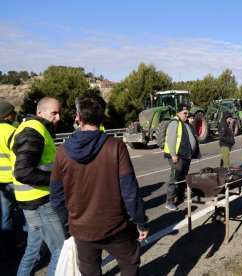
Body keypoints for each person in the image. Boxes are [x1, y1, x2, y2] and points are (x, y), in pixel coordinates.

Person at [50, 93, 148, 275]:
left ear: (78, 117)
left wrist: (71, 222)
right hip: (116, 227)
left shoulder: (61, 152)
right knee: (129, 263)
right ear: (102, 117)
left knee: (89, 270)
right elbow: (130, 191)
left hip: (82, 230)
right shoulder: (116, 146)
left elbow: (56, 197)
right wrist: (141, 222)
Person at [10, 97, 66, 276]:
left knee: (34, 250)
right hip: (40, 202)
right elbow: (23, 172)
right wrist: (57, 178)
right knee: (61, 251)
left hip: (32, 202)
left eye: (59, 113)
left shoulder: (34, 128)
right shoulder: (33, 131)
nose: (58, 118)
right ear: (40, 112)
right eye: (54, 113)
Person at [164, 103, 200, 211]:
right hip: (177, 157)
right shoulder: (174, 123)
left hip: (186, 156)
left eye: (188, 113)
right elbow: (171, 139)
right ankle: (169, 201)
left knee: (183, 177)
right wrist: (173, 155)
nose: (187, 115)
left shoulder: (184, 123)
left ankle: (180, 197)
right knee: (174, 178)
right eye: (185, 113)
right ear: (178, 112)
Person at [0, 99, 18, 259]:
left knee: (4, 216)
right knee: (25, 214)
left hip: (1, 185)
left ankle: (6, 249)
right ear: (6, 115)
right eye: (12, 112)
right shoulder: (11, 131)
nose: (14, 114)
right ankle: (21, 245)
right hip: (12, 180)